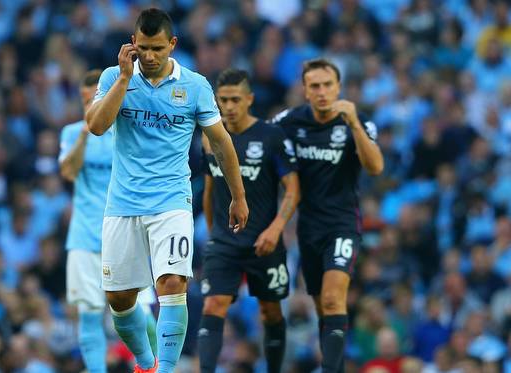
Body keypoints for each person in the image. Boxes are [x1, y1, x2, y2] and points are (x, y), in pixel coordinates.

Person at [85, 8, 249, 373]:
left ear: (172, 44)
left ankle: (167, 370)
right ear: (133, 45)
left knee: (172, 282)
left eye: (158, 48)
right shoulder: (115, 77)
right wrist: (125, 79)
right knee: (119, 300)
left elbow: (221, 144)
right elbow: (96, 127)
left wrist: (238, 196)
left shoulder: (194, 86)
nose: (150, 56)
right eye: (143, 47)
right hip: (123, 203)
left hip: (172, 201)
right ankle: (146, 361)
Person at [272, 58, 384, 373]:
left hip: (342, 224)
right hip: (308, 228)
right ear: (305, 91)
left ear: (338, 88)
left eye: (327, 85)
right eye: (315, 86)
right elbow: (260, 147)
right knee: (325, 311)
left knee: (335, 300)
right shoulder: (288, 121)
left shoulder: (357, 121)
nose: (322, 92)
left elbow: (375, 167)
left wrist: (354, 126)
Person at [197, 68, 300, 373]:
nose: (228, 106)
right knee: (213, 305)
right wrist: (214, 231)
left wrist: (276, 229)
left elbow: (293, 189)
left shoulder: (271, 136)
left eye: (235, 100)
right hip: (224, 242)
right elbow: (211, 187)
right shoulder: (209, 137)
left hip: (263, 242)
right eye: (223, 100)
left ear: (250, 99)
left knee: (270, 311)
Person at [58, 70, 158, 373]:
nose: (90, 104)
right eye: (85, 99)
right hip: (85, 237)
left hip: (125, 233)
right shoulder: (72, 133)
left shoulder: (125, 131)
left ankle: (155, 367)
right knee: (89, 312)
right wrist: (85, 135)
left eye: (95, 98)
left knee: (141, 311)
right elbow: (68, 172)